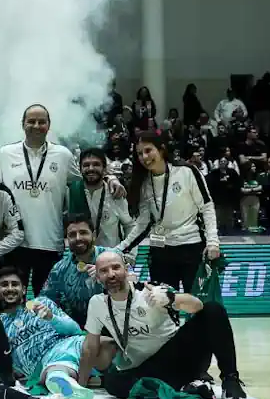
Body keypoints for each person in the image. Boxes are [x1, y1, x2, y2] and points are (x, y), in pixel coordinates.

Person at [80, 251, 246, 399]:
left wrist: (172, 298)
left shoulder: (150, 289)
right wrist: (80, 386)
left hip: (181, 356)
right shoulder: (97, 303)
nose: (111, 274)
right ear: (98, 277)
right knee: (112, 383)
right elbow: (90, 347)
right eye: (104, 271)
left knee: (213, 310)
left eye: (116, 267)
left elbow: (197, 306)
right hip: (147, 368)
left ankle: (230, 379)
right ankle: (189, 387)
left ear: (126, 269)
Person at [0, 104, 123, 294]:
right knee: (11, 299)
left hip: (50, 242)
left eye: (41, 122)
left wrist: (109, 177)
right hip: (15, 242)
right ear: (22, 124)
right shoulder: (5, 154)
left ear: (48, 125)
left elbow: (86, 177)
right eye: (31, 121)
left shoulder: (63, 155)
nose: (36, 125)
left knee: (47, 301)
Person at [0, 266, 109, 399]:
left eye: (15, 284)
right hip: (43, 364)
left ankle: (116, 378)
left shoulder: (42, 303)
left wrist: (51, 318)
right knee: (57, 370)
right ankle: (65, 382)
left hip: (69, 345)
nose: (10, 288)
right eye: (4, 285)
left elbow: (74, 329)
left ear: (24, 289)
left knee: (106, 343)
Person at [125, 131, 220, 293]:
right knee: (163, 307)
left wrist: (213, 242)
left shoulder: (187, 171)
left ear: (161, 149)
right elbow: (143, 223)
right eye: (139, 153)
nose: (144, 157)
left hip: (191, 246)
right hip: (160, 250)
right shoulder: (143, 182)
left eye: (148, 150)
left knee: (197, 304)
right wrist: (122, 248)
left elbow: (207, 207)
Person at [38, 215, 114, 327]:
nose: (78, 238)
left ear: (93, 235)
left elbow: (134, 282)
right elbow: (46, 299)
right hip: (78, 330)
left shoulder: (113, 257)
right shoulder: (60, 269)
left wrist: (107, 276)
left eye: (83, 232)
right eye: (72, 235)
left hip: (115, 324)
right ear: (67, 239)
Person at [67, 148, 136, 249]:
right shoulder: (73, 191)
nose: (91, 168)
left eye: (96, 164)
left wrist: (129, 253)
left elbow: (129, 226)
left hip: (111, 257)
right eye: (86, 165)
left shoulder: (115, 192)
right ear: (80, 169)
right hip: (82, 257)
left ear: (104, 169)